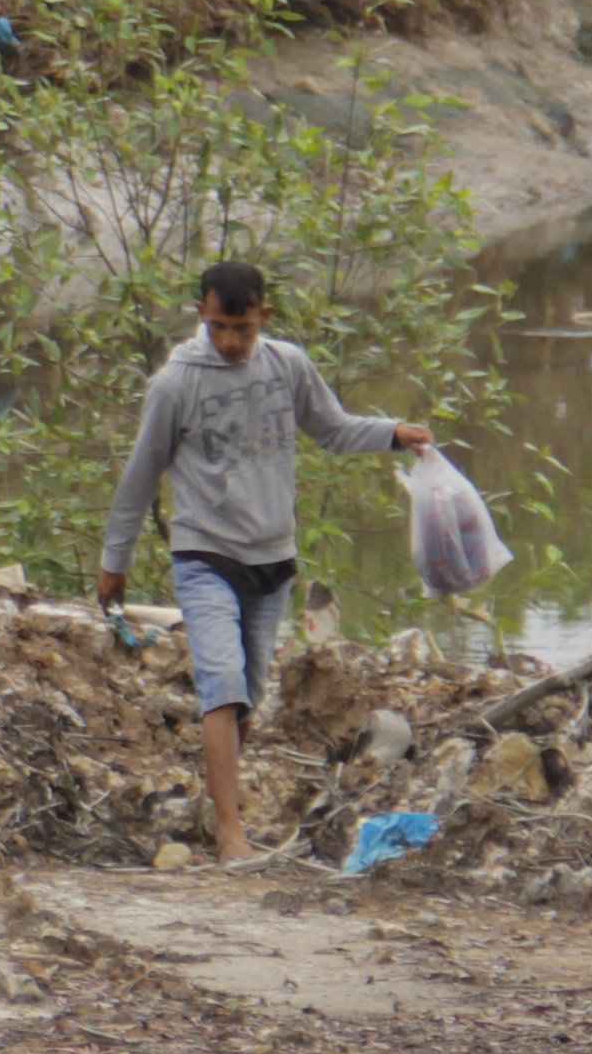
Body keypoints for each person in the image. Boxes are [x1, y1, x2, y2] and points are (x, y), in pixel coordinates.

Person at [95, 261, 431, 864]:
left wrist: (393, 433)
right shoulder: (175, 384)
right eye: (219, 326)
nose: (230, 341)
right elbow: (141, 474)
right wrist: (113, 560)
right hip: (204, 553)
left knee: (246, 697)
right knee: (221, 685)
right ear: (200, 314)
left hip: (272, 558)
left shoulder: (287, 365)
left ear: (264, 317)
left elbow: (332, 428)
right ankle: (230, 834)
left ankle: (214, 808)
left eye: (242, 328)